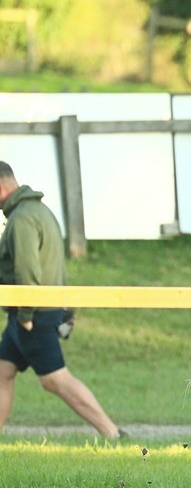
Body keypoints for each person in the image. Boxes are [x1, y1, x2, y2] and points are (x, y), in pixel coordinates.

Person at [0, 162, 124, 439]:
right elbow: (56, 265)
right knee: (2, 372)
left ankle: (112, 432)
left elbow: (28, 270)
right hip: (38, 309)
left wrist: (26, 317)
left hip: (32, 313)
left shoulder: (21, 219)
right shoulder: (40, 211)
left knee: (55, 379)